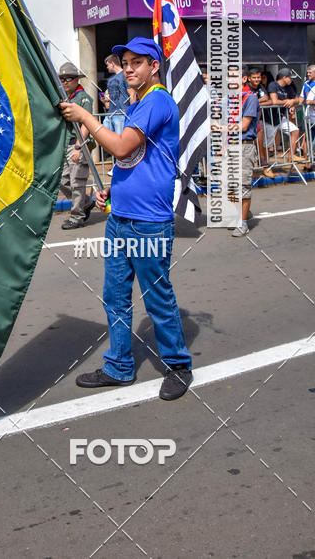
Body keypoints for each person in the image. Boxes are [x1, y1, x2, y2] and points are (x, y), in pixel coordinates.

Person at [60, 37, 193, 401]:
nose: (130, 67)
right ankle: (119, 366)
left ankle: (178, 365)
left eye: (138, 61)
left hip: (149, 223)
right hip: (120, 217)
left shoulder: (158, 101)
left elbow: (120, 146)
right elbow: (130, 161)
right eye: (126, 61)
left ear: (154, 66)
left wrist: (85, 116)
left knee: (157, 298)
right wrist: (113, 191)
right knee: (115, 296)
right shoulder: (135, 104)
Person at [58, 62, 94, 230]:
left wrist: (79, 147)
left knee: (77, 182)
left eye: (69, 78)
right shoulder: (63, 98)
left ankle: (77, 216)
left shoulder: (83, 98)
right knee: (63, 180)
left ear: (77, 80)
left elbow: (86, 123)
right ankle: (86, 203)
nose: (65, 82)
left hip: (78, 143)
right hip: (65, 144)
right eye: (62, 79)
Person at [231, 68, 260, 237]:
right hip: (230, 144)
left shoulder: (250, 98)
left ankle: (243, 223)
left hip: (244, 145)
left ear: (243, 79)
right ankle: (242, 214)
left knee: (243, 184)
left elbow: (243, 126)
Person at [267, 68, 301, 162]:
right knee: (267, 143)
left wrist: (292, 101)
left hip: (280, 117)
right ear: (284, 77)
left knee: (295, 130)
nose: (291, 80)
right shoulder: (273, 85)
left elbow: (297, 99)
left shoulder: (289, 87)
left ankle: (291, 156)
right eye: (290, 78)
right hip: (269, 118)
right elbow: (274, 101)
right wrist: (286, 101)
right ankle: (263, 164)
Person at [104, 54, 134, 134]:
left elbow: (132, 93)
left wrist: (132, 113)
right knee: (105, 139)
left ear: (113, 63)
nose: (107, 67)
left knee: (120, 141)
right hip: (110, 113)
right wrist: (107, 98)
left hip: (122, 113)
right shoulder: (111, 79)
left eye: (108, 65)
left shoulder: (125, 75)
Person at [300, 64, 315, 165]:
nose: (308, 74)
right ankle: (307, 162)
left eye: (310, 73)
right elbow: (304, 100)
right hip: (309, 116)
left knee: (309, 139)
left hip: (311, 116)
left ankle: (309, 161)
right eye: (308, 72)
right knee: (308, 139)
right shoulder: (306, 84)